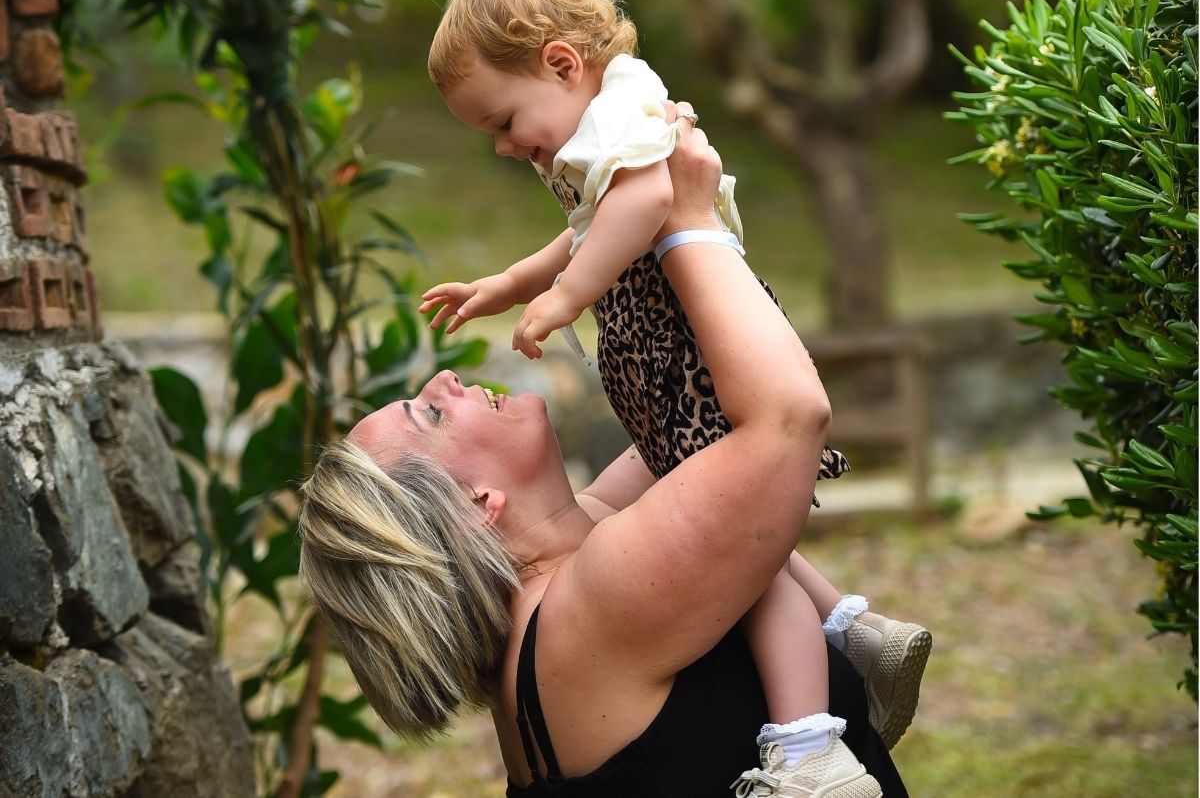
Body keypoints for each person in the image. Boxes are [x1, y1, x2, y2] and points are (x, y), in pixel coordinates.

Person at [299, 112, 908, 796]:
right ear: (476, 507)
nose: (443, 380)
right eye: (431, 413)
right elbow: (787, 419)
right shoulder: (597, 601)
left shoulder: (551, 600)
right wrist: (688, 218)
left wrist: (628, 213)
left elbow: (688, 437)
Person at [417, 0, 930, 754]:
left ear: (561, 63)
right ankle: (857, 631)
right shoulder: (593, 128)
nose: (504, 148)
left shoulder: (622, 110)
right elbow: (595, 223)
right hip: (669, 359)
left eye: (504, 122)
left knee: (747, 565)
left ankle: (809, 747)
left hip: (689, 354)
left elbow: (652, 200)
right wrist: (515, 282)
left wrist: (567, 297)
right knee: (739, 531)